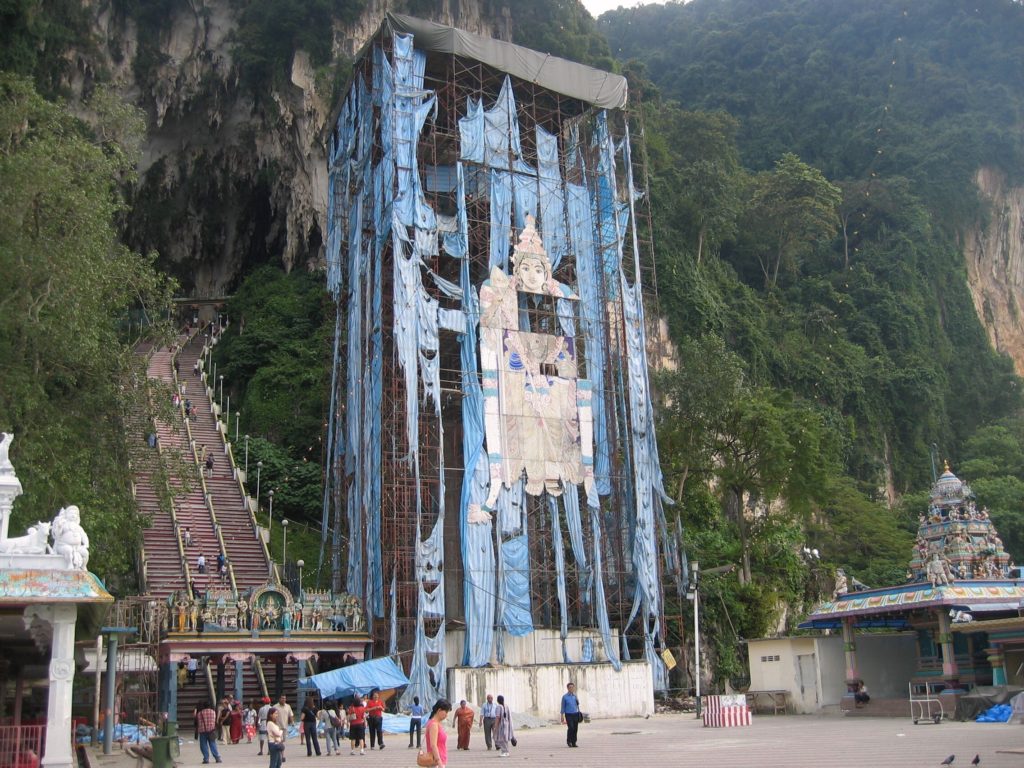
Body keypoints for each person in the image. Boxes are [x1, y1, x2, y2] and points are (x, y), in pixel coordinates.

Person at [424, 699, 451, 768]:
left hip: (438, 761)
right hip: (436, 763)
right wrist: (439, 763)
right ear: (439, 710)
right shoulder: (434, 725)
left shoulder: (435, 723)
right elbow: (433, 745)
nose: (446, 715)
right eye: (446, 712)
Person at [560, 682, 581, 748]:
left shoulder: (575, 696)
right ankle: (569, 741)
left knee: (575, 728)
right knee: (571, 728)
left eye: (573, 687)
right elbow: (563, 707)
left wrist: (577, 701)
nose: (572, 688)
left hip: (575, 714)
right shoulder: (564, 697)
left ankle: (574, 742)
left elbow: (577, 704)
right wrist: (562, 716)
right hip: (568, 715)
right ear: (568, 688)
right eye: (570, 687)